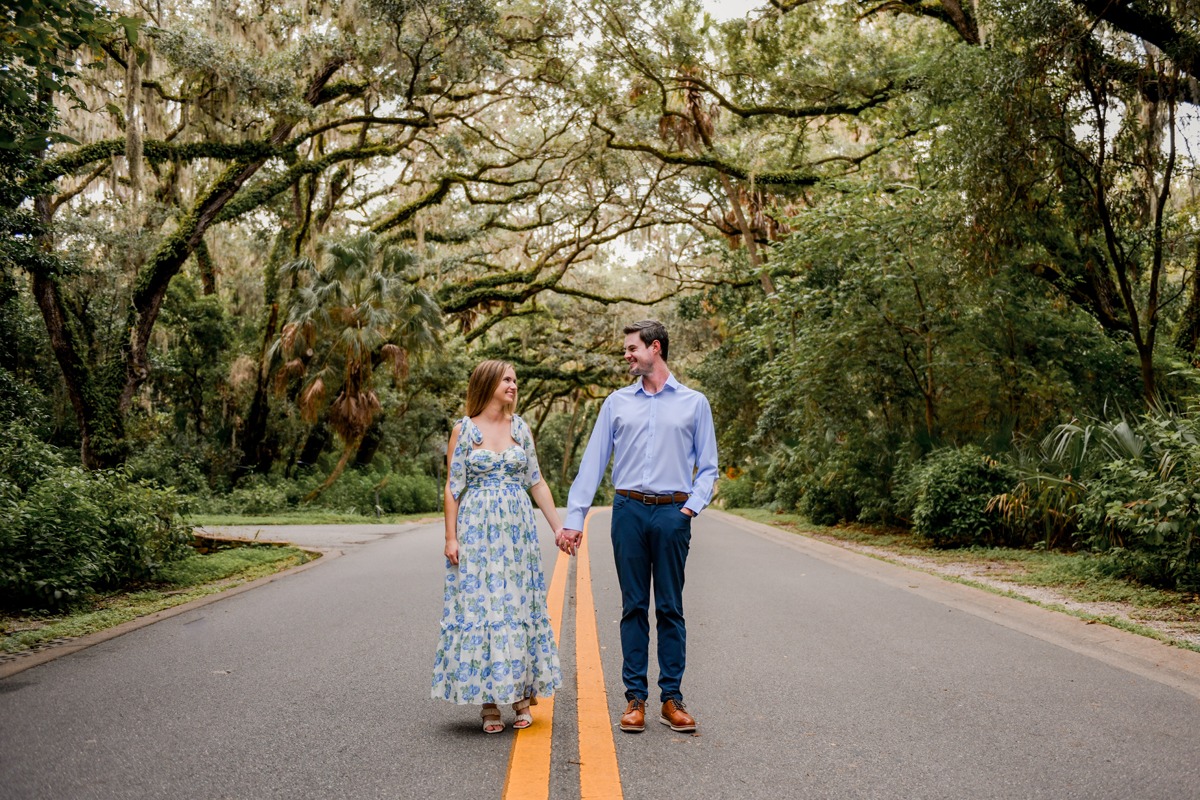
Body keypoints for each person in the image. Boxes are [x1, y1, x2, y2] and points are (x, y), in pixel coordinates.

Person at [558, 320, 718, 734]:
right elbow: (592, 464)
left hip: (672, 513)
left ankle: (672, 698)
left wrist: (689, 510)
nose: (626, 355)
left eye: (632, 349)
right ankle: (635, 699)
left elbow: (709, 468)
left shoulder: (694, 403)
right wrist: (574, 520)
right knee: (633, 607)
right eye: (626, 350)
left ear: (656, 348)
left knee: (669, 607)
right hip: (627, 510)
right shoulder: (616, 403)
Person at [431, 360, 564, 734]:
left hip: (517, 535)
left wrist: (559, 529)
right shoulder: (464, 429)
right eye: (507, 379)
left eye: (515, 381)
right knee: (484, 607)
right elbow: (453, 486)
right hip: (478, 532)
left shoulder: (520, 427)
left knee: (517, 605)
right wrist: (451, 536)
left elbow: (536, 482)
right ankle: (489, 703)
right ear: (487, 383)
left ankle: (521, 696)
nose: (513, 385)